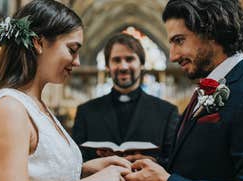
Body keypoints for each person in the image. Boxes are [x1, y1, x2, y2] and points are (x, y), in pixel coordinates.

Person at [125, 0, 243, 181]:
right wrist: (154, 167)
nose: (172, 56)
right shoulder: (207, 86)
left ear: (212, 30)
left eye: (179, 40)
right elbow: (201, 163)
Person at [0, 0, 131, 181]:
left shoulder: (35, 104)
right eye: (72, 50)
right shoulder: (10, 108)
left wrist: (84, 169)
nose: (77, 61)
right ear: (38, 43)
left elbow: (41, 174)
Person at [72, 33, 179, 166]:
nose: (123, 67)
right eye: (116, 60)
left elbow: (174, 162)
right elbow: (75, 161)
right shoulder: (85, 112)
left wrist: (155, 163)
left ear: (142, 64)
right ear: (107, 66)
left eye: (129, 59)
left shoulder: (167, 112)